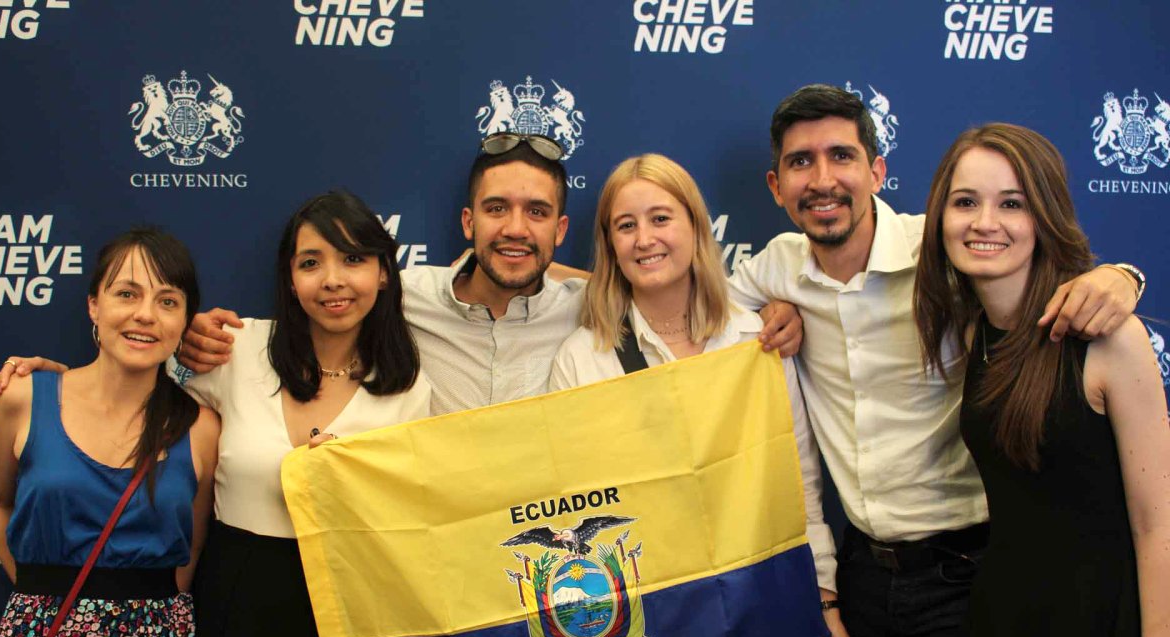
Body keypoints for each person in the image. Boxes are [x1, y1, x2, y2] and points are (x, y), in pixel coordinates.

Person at [726, 84, 1143, 637]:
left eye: (841, 156)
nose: (822, 179)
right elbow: (669, 299)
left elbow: (1047, 276)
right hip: (862, 575)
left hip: (969, 571)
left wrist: (1124, 276)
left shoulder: (947, 248)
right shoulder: (774, 268)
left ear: (876, 171)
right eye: (801, 162)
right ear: (777, 186)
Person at [0, 192, 433, 637]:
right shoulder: (236, 348)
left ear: (385, 272)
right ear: (289, 275)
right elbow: (138, 381)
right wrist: (53, 383)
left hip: (352, 603)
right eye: (311, 262)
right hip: (237, 597)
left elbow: (411, 520)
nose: (333, 280)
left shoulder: (409, 389)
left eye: (354, 259)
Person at [167, 134, 805, 416]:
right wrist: (195, 350)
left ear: (560, 232)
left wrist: (778, 308)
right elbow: (317, 308)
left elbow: (670, 286)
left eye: (537, 214)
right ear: (469, 221)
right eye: (498, 210)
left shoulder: (593, 306)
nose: (515, 229)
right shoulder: (400, 294)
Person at [548, 153, 846, 637]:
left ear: (695, 227)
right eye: (626, 225)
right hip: (653, 616)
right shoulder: (582, 357)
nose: (645, 239)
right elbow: (577, 508)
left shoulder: (756, 338)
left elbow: (797, 476)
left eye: (661, 218)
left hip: (763, 599)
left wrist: (825, 598)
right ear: (609, 245)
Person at [913, 123, 1170, 637]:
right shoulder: (973, 330)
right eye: (965, 202)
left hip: (1102, 630)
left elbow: (1159, 524)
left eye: (1012, 203)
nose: (985, 222)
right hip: (1006, 622)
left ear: (1045, 215)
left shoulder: (1107, 338)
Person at [0, 229, 219, 637]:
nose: (145, 315)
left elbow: (192, 547)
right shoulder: (24, 398)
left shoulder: (202, 427)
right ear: (94, 304)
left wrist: (153, 614)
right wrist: (42, 591)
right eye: (127, 293)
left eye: (168, 301)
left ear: (185, 320)